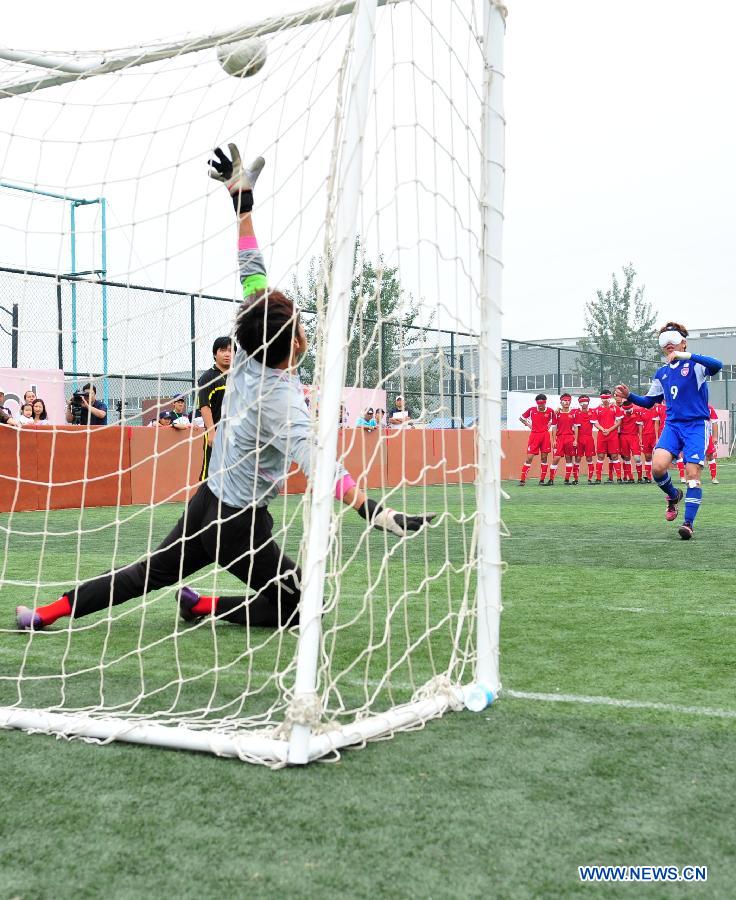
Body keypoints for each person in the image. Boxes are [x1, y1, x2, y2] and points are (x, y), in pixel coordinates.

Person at [16, 143, 434, 633]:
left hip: (207, 499)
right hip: (238, 526)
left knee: (145, 574)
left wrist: (242, 204)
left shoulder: (253, 350)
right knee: (302, 605)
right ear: (295, 342)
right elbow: (325, 470)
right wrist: (376, 513)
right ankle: (204, 606)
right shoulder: (284, 404)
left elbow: (251, 268)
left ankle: (45, 614)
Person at [615, 321, 722, 540]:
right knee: (657, 468)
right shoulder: (662, 373)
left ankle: (688, 524)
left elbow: (717, 365)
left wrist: (688, 356)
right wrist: (629, 396)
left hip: (695, 425)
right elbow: (649, 401)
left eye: (673, 339)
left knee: (693, 475)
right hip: (673, 426)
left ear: (684, 343)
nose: (668, 344)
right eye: (664, 341)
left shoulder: (696, 365)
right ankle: (673, 496)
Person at [197, 336, 233, 480]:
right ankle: (202, 502)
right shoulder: (207, 377)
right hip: (217, 434)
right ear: (214, 354)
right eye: (223, 350)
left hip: (237, 435)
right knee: (211, 475)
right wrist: (211, 431)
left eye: (231, 351)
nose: (227, 354)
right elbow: (205, 406)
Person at [518, 393, 555, 485]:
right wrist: (528, 424)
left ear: (545, 403)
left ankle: (542, 480)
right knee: (529, 458)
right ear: (537, 403)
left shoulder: (550, 411)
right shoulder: (532, 410)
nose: (541, 406)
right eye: (539, 404)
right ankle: (522, 480)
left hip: (545, 435)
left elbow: (554, 422)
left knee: (544, 457)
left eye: (542, 404)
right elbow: (521, 418)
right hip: (534, 435)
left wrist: (549, 424)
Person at [591, 390, 622, 484]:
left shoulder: (616, 408)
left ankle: (619, 478)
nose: (605, 400)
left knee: (614, 456)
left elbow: (619, 422)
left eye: (607, 398)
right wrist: (602, 429)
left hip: (613, 435)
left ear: (610, 397)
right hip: (602, 435)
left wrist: (609, 430)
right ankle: (598, 478)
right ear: (601, 398)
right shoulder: (596, 409)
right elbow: (595, 423)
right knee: (600, 456)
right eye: (603, 398)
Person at [544, 393, 575, 485]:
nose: (566, 402)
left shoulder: (573, 413)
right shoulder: (556, 414)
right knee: (556, 458)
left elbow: (576, 427)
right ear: (561, 402)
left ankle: (567, 479)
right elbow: (553, 428)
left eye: (568, 400)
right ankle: (551, 479)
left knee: (569, 458)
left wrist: (575, 440)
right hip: (560, 438)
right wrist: (554, 440)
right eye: (564, 400)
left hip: (570, 438)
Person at [572, 395, 596, 484]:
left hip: (589, 438)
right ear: (579, 403)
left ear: (588, 402)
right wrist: (575, 439)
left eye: (585, 402)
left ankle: (590, 479)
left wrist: (602, 429)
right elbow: (576, 427)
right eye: (582, 402)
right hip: (579, 438)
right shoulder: (575, 412)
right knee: (577, 458)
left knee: (589, 458)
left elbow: (596, 423)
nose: (584, 404)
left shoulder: (593, 411)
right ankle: (575, 479)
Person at [618, 401, 644, 483]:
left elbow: (640, 425)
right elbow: (618, 424)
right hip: (623, 437)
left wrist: (640, 438)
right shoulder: (621, 413)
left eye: (629, 409)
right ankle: (630, 477)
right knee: (626, 457)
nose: (628, 411)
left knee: (637, 458)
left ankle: (640, 477)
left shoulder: (637, 412)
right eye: (626, 410)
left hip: (634, 437)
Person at [706, 405, 719, 484]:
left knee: (710, 455)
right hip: (693, 436)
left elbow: (714, 422)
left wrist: (714, 437)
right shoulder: (691, 406)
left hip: (707, 436)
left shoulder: (709, 408)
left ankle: (714, 477)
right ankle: (692, 478)